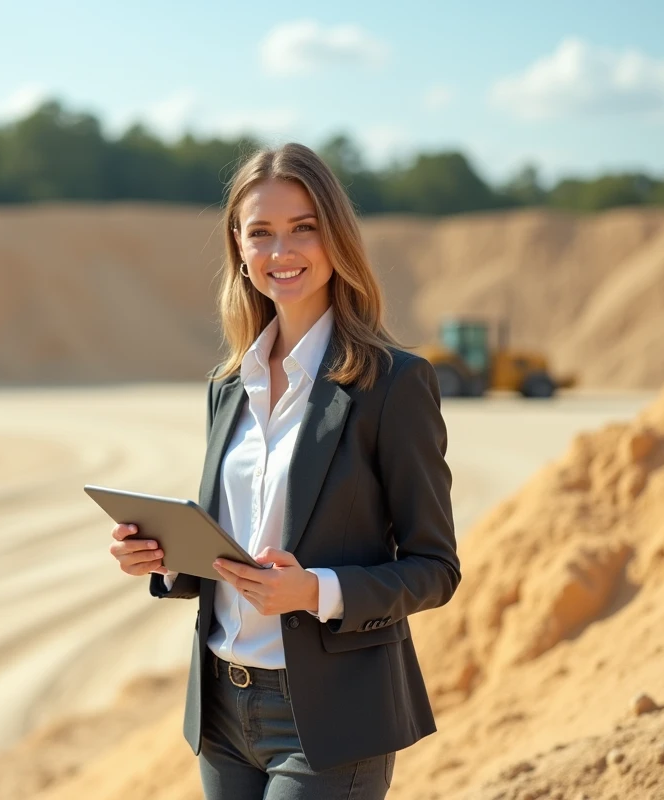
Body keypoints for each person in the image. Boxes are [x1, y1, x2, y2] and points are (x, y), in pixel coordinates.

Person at [108, 142, 461, 799]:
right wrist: (163, 558)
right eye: (261, 233)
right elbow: (226, 548)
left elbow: (435, 570)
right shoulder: (226, 387)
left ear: (337, 236)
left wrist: (315, 591)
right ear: (238, 248)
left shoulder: (394, 384)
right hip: (222, 710)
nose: (281, 252)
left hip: (328, 719)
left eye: (304, 227)